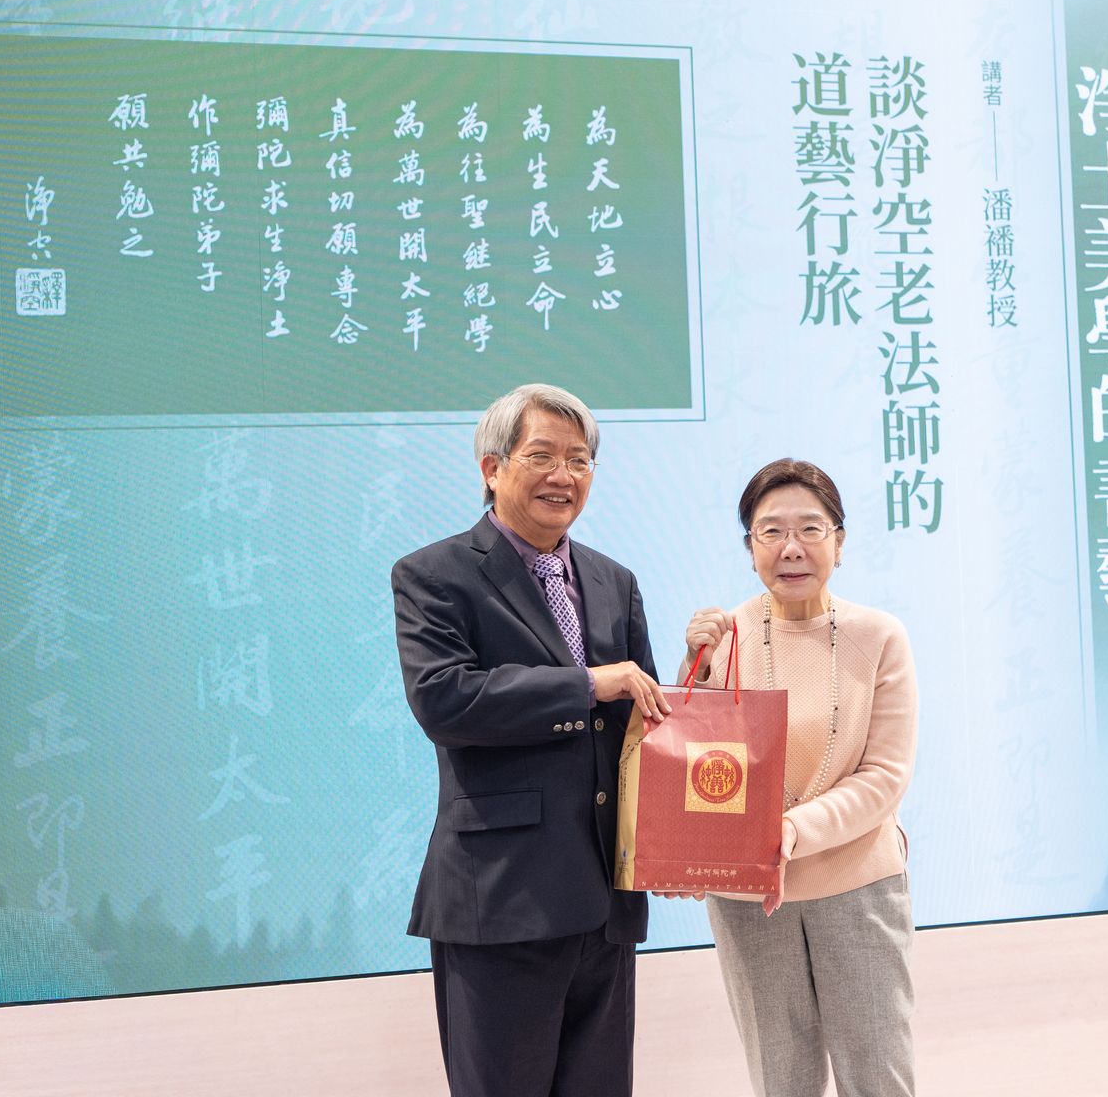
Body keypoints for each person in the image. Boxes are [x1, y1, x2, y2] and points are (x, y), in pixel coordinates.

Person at [391, 383, 668, 1097]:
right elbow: (444, 700)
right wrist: (584, 685)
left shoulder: (614, 581)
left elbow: (642, 729)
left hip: (605, 904)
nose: (563, 476)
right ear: (492, 468)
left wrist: (677, 839)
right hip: (502, 901)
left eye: (580, 460)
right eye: (542, 456)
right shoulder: (435, 574)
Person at [676, 458, 919, 1097]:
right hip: (749, 895)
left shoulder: (879, 637)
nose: (791, 548)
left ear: (840, 541)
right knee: (781, 1081)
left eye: (811, 529)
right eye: (771, 531)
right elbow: (699, 764)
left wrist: (790, 830)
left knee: (879, 1078)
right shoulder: (726, 636)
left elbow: (884, 776)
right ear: (750, 546)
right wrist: (692, 667)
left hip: (857, 886)